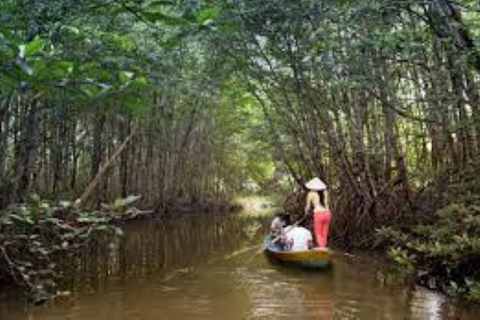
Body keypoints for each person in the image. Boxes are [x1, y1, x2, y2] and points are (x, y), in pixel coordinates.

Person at [304, 177, 331, 248]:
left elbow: (307, 206)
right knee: (325, 233)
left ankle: (322, 249)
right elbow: (326, 203)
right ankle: (324, 248)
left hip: (319, 214)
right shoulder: (325, 192)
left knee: (318, 233)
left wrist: (306, 213)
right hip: (327, 214)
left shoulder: (311, 193)